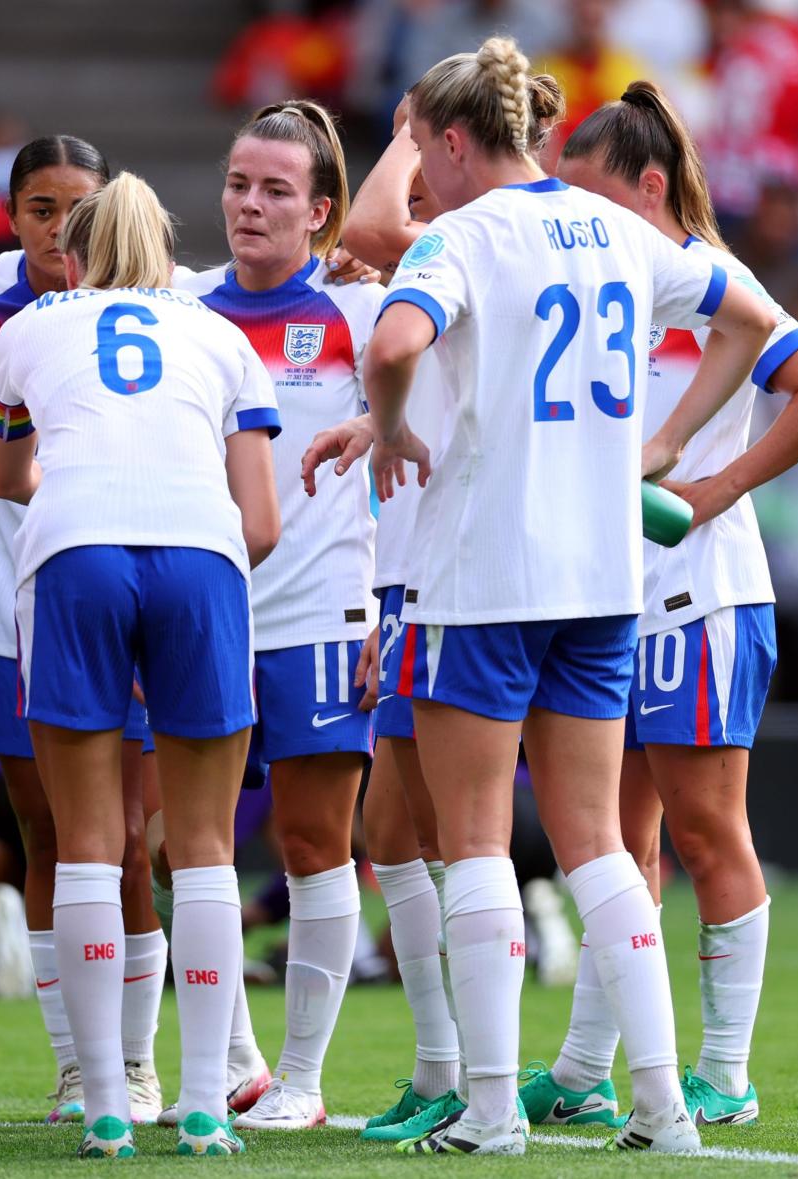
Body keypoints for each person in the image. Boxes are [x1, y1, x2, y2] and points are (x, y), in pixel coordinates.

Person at [302, 37, 778, 1155]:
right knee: (599, 848)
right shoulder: (618, 229)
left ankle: (485, 1110)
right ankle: (663, 1107)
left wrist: (393, 423)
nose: (424, 169)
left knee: (471, 844)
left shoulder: (463, 238)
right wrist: (660, 438)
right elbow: (748, 318)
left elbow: (394, 334)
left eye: (424, 147)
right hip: (604, 580)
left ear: (455, 142)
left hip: (484, 580)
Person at [539, 78, 798, 1129]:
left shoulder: (712, 279)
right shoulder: (608, 282)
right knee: (611, 845)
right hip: (609, 599)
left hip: (701, 596)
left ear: (648, 186)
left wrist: (716, 489)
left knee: (705, 830)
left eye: (589, 197)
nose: (575, 219)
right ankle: (584, 1071)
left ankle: (725, 1070)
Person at [0, 171, 281, 1158]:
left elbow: (8, 477)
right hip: (201, 553)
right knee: (200, 848)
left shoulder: (29, 328)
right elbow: (262, 523)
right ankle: (201, 1104)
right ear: (166, 249)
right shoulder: (222, 337)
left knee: (84, 841)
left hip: (73, 550)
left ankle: (105, 1102)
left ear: (72, 252)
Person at [0, 135, 168, 1125]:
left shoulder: (160, 294)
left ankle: (144, 1060)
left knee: (132, 843)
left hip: (122, 582)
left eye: (78, 206)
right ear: (10, 212)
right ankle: (77, 1062)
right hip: (5, 597)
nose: (59, 225)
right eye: (39, 207)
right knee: (45, 833)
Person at [173, 98, 383, 1133]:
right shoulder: (179, 309)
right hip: (202, 612)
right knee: (182, 845)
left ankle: (301, 1079)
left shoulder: (359, 311)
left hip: (318, 611)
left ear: (321, 212)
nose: (248, 206)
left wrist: (388, 606)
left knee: (310, 843)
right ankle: (240, 1061)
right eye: (236, 184)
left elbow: (412, 459)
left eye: (275, 191)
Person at [338, 99, 467, 1144]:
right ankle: (451, 1063)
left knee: (427, 834)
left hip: (445, 585)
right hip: (411, 583)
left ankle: (469, 1070)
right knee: (396, 831)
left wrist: (403, 132)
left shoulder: (462, 258)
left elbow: (369, 226)